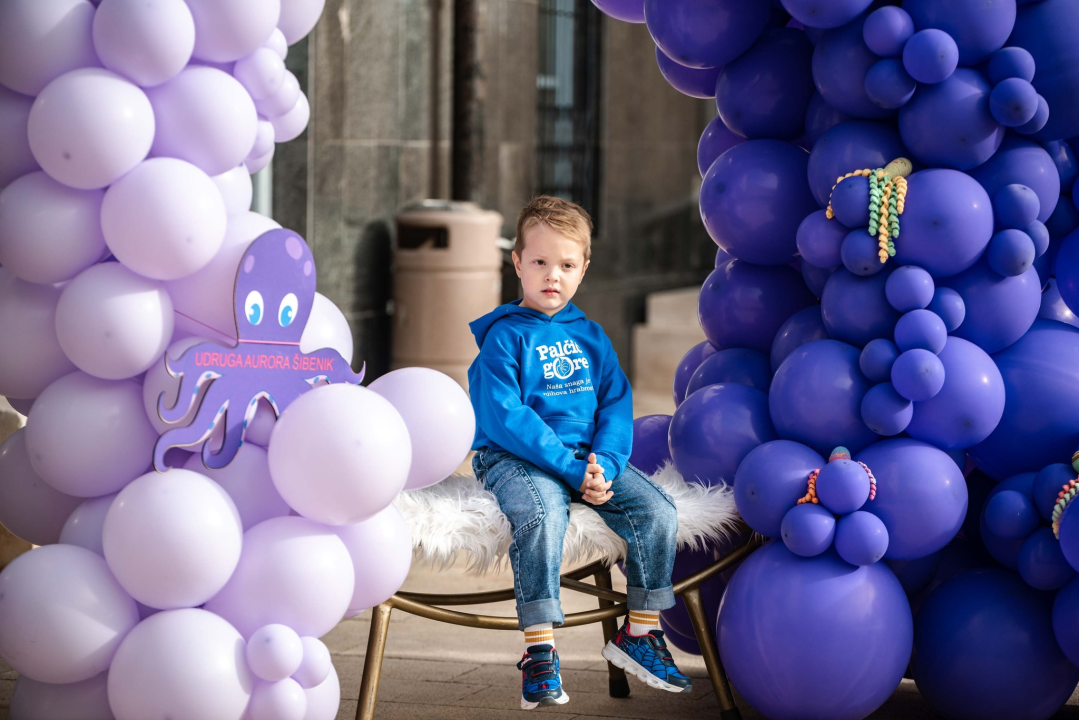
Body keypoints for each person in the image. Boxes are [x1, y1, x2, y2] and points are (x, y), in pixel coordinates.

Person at [467, 195, 691, 710]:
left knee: (657, 510)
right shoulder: (504, 338)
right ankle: (539, 651)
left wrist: (605, 464)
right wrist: (572, 470)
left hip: (588, 458)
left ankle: (641, 632)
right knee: (543, 514)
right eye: (540, 262)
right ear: (518, 263)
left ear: (584, 268)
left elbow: (615, 403)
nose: (553, 275)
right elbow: (509, 418)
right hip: (515, 458)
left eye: (567, 265)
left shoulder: (591, 337)